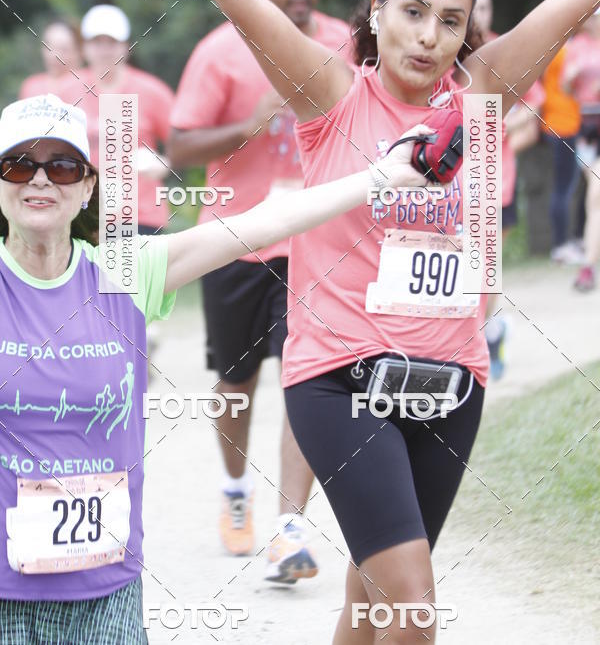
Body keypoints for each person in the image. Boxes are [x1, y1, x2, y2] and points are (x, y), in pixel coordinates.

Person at [136, 0, 600, 643]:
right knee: (415, 608)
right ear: (376, 11)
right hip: (340, 379)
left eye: (450, 21)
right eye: (413, 12)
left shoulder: (486, 95)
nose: (429, 35)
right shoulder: (328, 94)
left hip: (451, 383)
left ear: (468, 33)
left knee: (373, 602)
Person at [0, 93, 428, 643]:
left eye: (60, 166)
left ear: (87, 186)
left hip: (107, 590)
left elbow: (262, 224)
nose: (40, 181)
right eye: (18, 165)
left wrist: (382, 176)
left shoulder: (123, 274)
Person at [168, 0, 351, 580]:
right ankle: (235, 492)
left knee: (305, 378)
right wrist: (249, 125)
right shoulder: (221, 50)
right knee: (236, 384)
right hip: (235, 243)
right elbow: (178, 146)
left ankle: (288, 529)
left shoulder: (343, 43)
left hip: (313, 245)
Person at [472, 0, 545, 379]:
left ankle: (490, 334)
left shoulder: (505, 53)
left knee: (486, 269)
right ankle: (484, 335)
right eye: (473, 8)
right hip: (451, 190)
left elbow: (530, 120)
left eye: (485, 8)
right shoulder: (445, 55)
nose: (479, 16)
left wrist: (490, 140)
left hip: (495, 185)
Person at [56, 4, 174, 238]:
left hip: (140, 216)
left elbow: (183, 143)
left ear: (126, 47)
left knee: (135, 276)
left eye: (112, 42)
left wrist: (164, 162)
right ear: (85, 48)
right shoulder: (66, 92)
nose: (104, 50)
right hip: (82, 214)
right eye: (97, 42)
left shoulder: (152, 91)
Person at [560, 10, 600, 290]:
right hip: (587, 126)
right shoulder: (575, 47)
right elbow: (564, 88)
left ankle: (587, 265)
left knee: (596, 194)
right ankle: (589, 264)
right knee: (595, 194)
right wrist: (573, 77)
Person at [541, 49, 582, 262]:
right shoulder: (563, 48)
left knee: (567, 186)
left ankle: (569, 242)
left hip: (565, 123)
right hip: (562, 125)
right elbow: (567, 82)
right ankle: (560, 245)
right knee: (563, 187)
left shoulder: (560, 46)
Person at [20, 19, 82, 98]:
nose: (54, 55)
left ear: (80, 51)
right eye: (48, 47)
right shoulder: (31, 86)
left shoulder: (95, 83)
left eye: (63, 49)